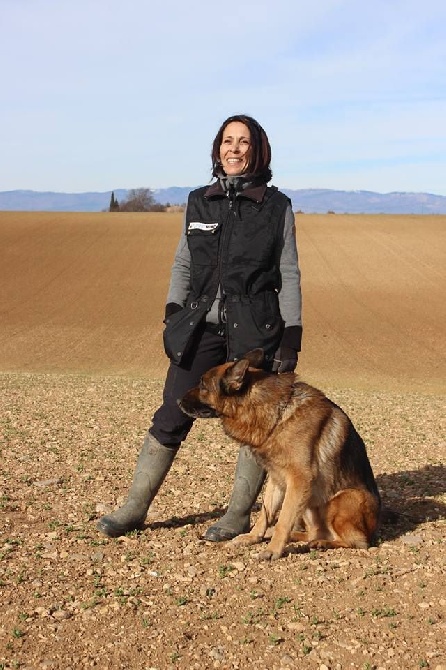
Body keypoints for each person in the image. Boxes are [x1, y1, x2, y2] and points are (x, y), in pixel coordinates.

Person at [97, 114, 303, 541]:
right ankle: (134, 508)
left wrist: (290, 337)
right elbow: (184, 262)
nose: (234, 149)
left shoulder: (276, 206)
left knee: (254, 423)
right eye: (227, 141)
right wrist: (175, 312)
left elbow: (289, 272)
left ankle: (237, 516)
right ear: (218, 149)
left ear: (257, 149)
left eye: (243, 142)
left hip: (255, 333)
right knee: (174, 409)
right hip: (201, 328)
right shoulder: (199, 201)